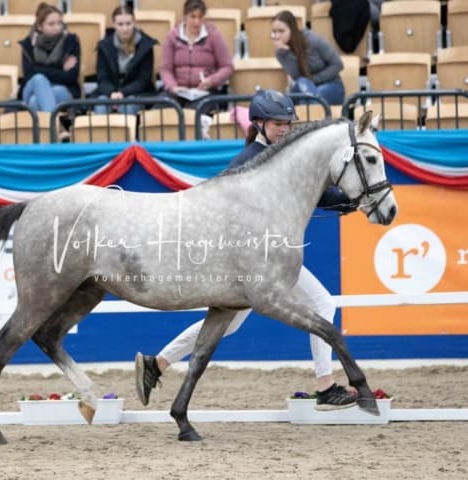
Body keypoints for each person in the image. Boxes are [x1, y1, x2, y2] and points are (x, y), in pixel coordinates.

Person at [135, 89, 358, 411]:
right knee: (322, 303)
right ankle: (325, 385)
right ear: (259, 123)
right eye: (278, 123)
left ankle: (157, 363)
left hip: (267, 258)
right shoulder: (249, 160)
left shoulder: (281, 155)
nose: (285, 128)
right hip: (256, 258)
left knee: (231, 324)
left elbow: (314, 194)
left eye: (288, 123)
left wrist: (346, 201)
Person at [159, 0, 233, 108]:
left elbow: (227, 67)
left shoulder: (213, 36)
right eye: (193, 17)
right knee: (161, 110)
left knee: (195, 112)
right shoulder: (172, 36)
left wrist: (211, 81)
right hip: (177, 92)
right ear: (184, 17)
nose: (197, 22)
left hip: (205, 92)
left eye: (200, 17)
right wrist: (173, 87)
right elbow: (165, 69)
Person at [271, 10, 345, 106]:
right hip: (304, 88)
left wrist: (313, 80)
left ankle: (311, 110)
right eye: (274, 32)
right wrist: (286, 53)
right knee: (300, 88)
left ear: (292, 29)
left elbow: (338, 64)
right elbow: (297, 77)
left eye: (281, 31)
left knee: (306, 97)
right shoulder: (281, 53)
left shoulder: (313, 39)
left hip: (331, 85)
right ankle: (313, 113)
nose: (277, 36)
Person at [92, 5, 157, 115]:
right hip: (110, 92)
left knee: (128, 105)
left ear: (135, 23)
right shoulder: (104, 46)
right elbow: (102, 77)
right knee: (101, 104)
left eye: (128, 23)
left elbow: (143, 80)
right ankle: (102, 133)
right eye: (120, 24)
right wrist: (112, 93)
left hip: (138, 93)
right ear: (114, 25)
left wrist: (122, 93)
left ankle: (127, 133)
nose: (125, 28)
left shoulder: (146, 46)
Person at [19, 3, 81, 113]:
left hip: (64, 89)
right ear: (39, 26)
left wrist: (38, 69)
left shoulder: (71, 42)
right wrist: (60, 69)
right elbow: (29, 75)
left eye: (59, 23)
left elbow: (71, 76)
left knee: (35, 101)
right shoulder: (28, 44)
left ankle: (48, 128)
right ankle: (54, 127)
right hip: (31, 88)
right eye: (51, 24)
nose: (57, 27)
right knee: (38, 79)